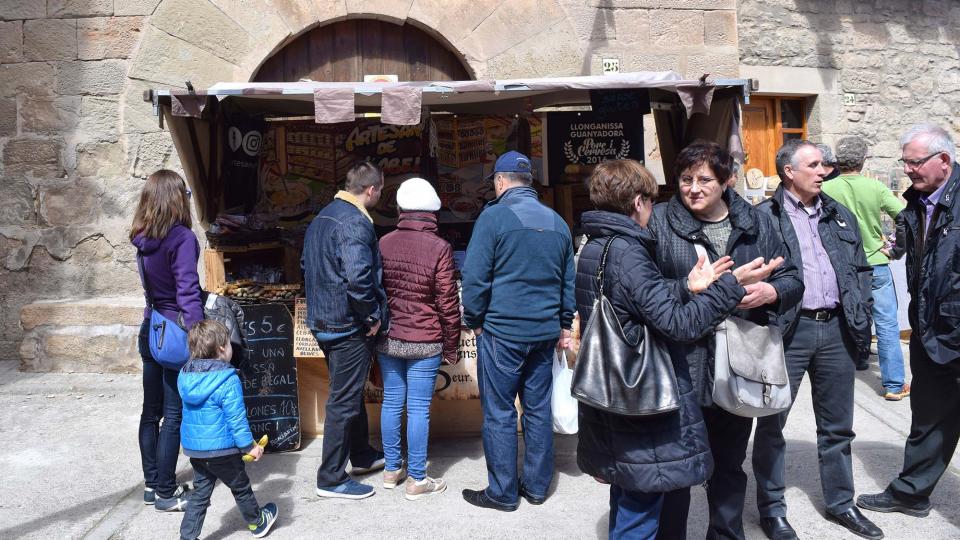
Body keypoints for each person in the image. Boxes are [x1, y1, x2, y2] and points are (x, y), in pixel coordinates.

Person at [575, 159, 751, 539]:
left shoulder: (597, 245)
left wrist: (687, 286)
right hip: (641, 402)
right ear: (638, 202)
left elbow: (632, 300)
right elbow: (679, 324)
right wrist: (729, 287)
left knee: (628, 495)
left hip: (613, 394)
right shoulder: (629, 251)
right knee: (640, 508)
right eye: (652, 201)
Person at [648, 141, 802, 540]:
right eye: (685, 179)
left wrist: (771, 292)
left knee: (730, 464)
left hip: (739, 360)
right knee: (678, 466)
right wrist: (691, 288)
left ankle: (726, 534)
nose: (693, 189)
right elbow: (643, 289)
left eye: (704, 180)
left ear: (728, 180)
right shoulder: (660, 222)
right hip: (681, 361)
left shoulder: (758, 222)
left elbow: (793, 276)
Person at [753, 139, 881, 540]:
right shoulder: (763, 217)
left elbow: (859, 268)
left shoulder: (838, 214)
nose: (824, 169)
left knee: (837, 427)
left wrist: (860, 311)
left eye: (824, 164)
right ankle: (772, 511)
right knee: (773, 425)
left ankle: (841, 503)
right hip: (787, 331)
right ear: (789, 171)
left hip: (836, 329)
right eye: (814, 164)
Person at [460, 151, 575, 511]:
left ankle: (503, 492)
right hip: (543, 334)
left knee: (500, 412)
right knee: (537, 409)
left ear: (499, 181)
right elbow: (566, 282)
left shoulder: (493, 218)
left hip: (503, 333)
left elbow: (475, 277)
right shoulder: (557, 222)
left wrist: (474, 319)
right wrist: (564, 324)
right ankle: (537, 487)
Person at [857, 123, 960, 519]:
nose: (908, 170)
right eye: (905, 162)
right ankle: (911, 493)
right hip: (930, 329)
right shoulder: (916, 203)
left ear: (943, 161)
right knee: (928, 417)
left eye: (914, 162)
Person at [302, 161, 389, 500]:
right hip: (346, 325)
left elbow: (307, 266)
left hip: (324, 321)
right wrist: (372, 316)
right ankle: (331, 478)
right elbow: (358, 279)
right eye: (380, 191)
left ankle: (362, 454)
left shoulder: (322, 216)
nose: (380, 196)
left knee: (348, 392)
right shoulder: (355, 222)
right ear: (370, 190)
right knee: (343, 399)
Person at [376, 177, 460, 500]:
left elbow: (377, 293)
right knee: (418, 408)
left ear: (400, 209)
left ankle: (391, 469)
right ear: (431, 214)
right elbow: (448, 303)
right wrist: (451, 346)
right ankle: (417, 479)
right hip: (425, 340)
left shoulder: (383, 243)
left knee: (392, 401)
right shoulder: (440, 248)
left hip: (389, 337)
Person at [130, 169, 202, 512]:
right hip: (174, 332)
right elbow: (187, 293)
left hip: (150, 327)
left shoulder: (142, 237)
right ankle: (166, 492)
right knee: (173, 415)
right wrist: (200, 334)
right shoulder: (182, 239)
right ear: (176, 199)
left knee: (150, 412)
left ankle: (151, 484)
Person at [821, 135, 910, 400]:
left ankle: (850, 367)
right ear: (863, 160)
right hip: (876, 264)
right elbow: (904, 217)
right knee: (886, 324)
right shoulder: (875, 187)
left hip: (842, 264)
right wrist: (897, 249)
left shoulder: (827, 189)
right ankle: (894, 384)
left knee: (843, 318)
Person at [177, 320, 279, 539]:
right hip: (222, 449)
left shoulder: (185, 376)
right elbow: (236, 420)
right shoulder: (228, 379)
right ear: (223, 348)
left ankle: (187, 536)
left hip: (196, 449)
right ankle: (257, 522)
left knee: (200, 493)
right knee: (240, 486)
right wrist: (249, 447)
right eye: (231, 344)